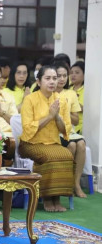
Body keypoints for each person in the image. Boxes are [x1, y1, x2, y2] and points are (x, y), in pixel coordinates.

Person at [19, 65, 73, 212]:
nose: (52, 82)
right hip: (30, 143)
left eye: (54, 78)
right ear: (38, 81)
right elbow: (28, 128)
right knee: (50, 157)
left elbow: (65, 129)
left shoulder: (61, 100)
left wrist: (56, 116)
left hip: (53, 143)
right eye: (47, 78)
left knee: (67, 155)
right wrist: (49, 116)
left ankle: (57, 199)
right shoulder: (30, 100)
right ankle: (47, 199)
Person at [54, 61, 87, 198]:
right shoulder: (48, 92)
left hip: (69, 130)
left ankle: (76, 183)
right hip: (55, 131)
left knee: (82, 144)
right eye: (58, 76)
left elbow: (76, 119)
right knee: (72, 145)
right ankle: (64, 182)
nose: (62, 79)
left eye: (64, 75)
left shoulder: (71, 94)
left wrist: (65, 112)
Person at [0, 63, 18, 137]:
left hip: (8, 136)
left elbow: (15, 121)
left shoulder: (8, 96)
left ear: (1, 79)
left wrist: (1, 112)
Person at [69, 61, 85, 134]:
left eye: (77, 73)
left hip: (80, 127)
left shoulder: (85, 90)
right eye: (71, 73)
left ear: (84, 75)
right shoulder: (68, 89)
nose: (73, 75)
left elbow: (82, 108)